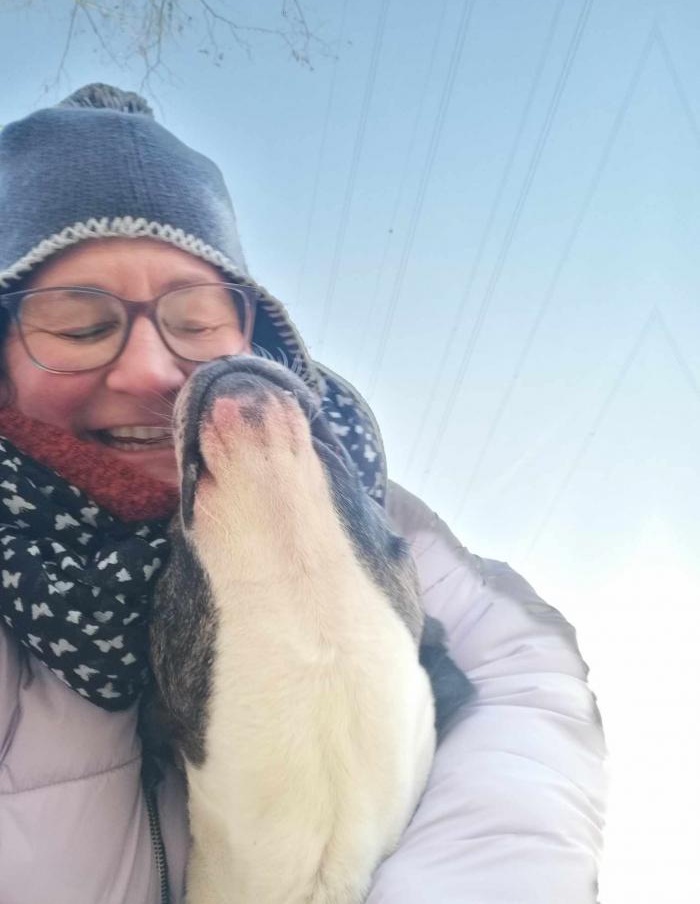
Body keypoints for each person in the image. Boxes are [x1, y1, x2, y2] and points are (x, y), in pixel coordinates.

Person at [0, 84, 607, 904]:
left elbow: (522, 672)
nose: (150, 369)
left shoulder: (351, 502)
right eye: (81, 326)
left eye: (197, 319)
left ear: (254, 337)